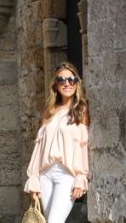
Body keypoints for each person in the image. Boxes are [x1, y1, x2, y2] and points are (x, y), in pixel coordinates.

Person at [24, 62, 90, 223]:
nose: (67, 83)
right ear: (56, 84)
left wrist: (81, 176)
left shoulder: (81, 109)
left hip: (66, 174)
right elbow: (39, 147)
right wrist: (33, 178)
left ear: (77, 83)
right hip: (45, 175)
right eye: (62, 80)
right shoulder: (50, 110)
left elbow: (82, 145)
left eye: (71, 79)